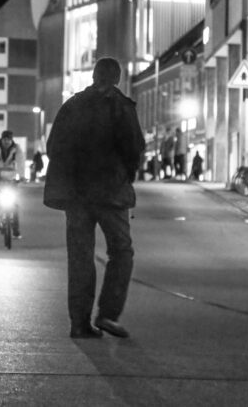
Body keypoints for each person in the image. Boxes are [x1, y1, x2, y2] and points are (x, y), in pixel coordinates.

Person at [44, 57, 145, 339]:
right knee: (121, 251)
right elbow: (134, 147)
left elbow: (53, 147)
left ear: (93, 75)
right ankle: (108, 314)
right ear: (117, 78)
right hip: (111, 193)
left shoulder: (73, 105)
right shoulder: (122, 107)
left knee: (80, 256)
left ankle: (79, 323)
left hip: (76, 195)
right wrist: (126, 174)